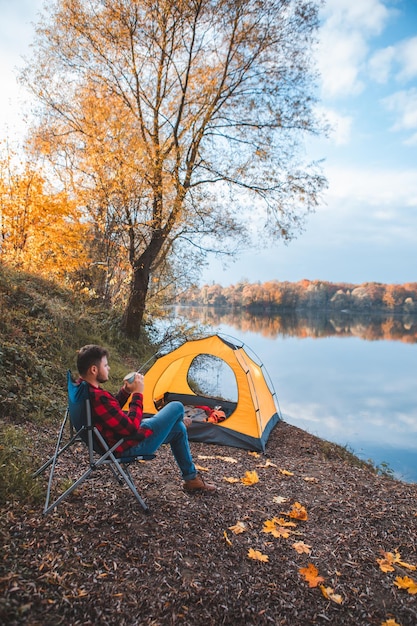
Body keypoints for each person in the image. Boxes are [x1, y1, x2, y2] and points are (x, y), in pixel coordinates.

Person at [76, 344, 216, 493]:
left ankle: (191, 479)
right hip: (127, 446)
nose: (108, 368)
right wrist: (137, 393)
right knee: (176, 406)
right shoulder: (98, 398)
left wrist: (125, 391)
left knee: (179, 429)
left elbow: (111, 410)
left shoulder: (83, 389)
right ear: (94, 369)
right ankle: (179, 421)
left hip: (114, 440)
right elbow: (131, 428)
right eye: (105, 365)